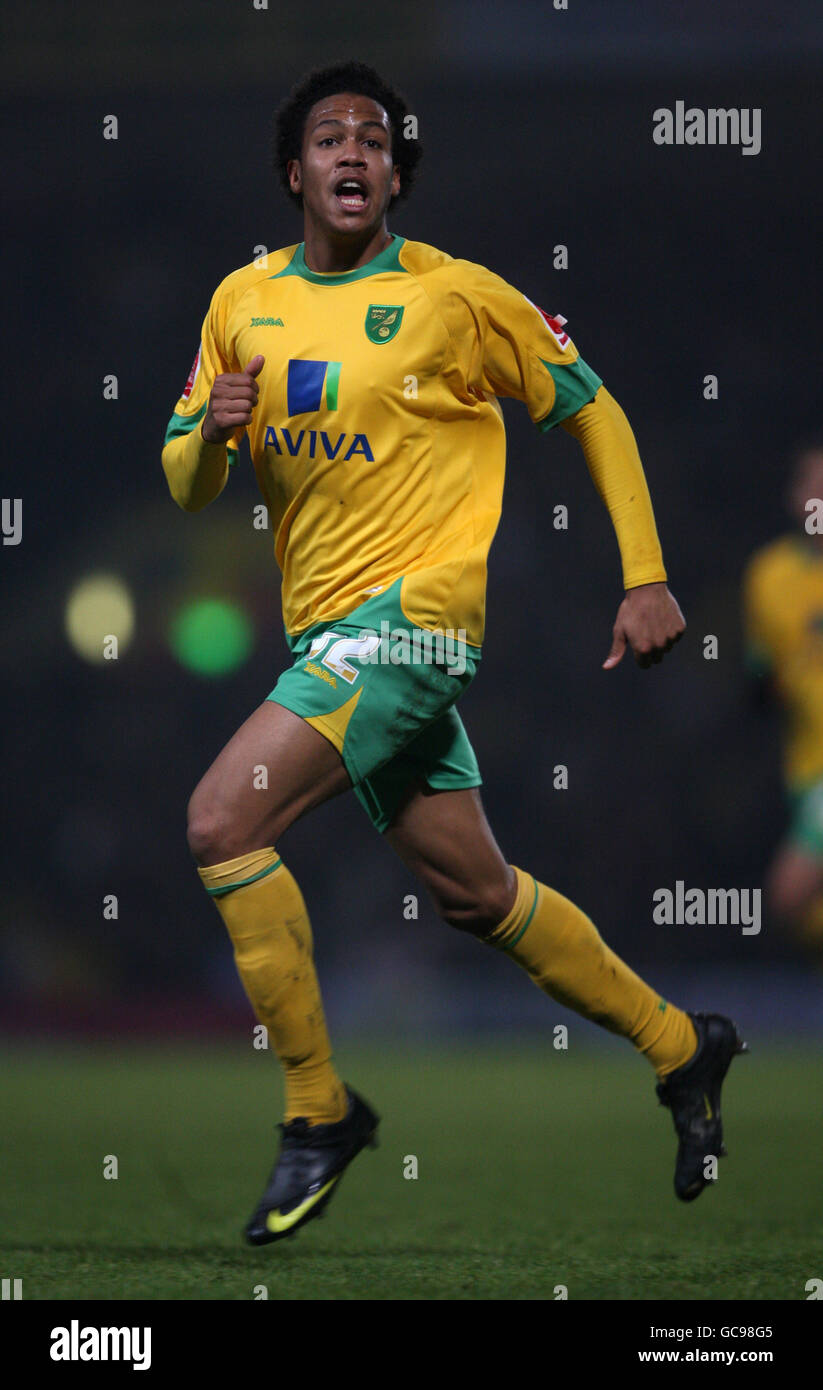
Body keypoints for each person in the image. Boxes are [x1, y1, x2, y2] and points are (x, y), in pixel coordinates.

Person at [161, 61, 746, 1245]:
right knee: (477, 894)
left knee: (223, 823)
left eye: (374, 140)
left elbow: (591, 404)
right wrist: (212, 439)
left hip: (417, 623)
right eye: (329, 138)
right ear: (294, 172)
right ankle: (686, 1047)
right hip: (333, 633)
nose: (352, 153)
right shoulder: (242, 302)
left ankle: (319, 1111)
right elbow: (184, 481)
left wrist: (642, 575)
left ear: (392, 174)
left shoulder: (454, 298)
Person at [743, 443, 823, 951]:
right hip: (805, 769)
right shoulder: (769, 575)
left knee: (787, 893)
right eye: (813, 487)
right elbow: (760, 680)